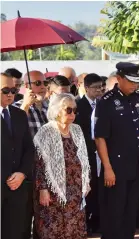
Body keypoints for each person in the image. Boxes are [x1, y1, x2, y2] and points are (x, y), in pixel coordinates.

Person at [94, 62, 139, 239]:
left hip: (135, 164)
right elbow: (100, 137)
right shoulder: (106, 102)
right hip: (115, 166)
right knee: (114, 215)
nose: (135, 85)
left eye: (137, 82)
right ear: (119, 78)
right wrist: (108, 168)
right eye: (131, 81)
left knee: (130, 214)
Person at [33, 93, 91, 239]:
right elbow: (40, 164)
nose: (72, 114)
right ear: (57, 110)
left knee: (74, 229)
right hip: (53, 192)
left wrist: (86, 181)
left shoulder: (76, 130)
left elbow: (84, 159)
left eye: (75, 110)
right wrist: (43, 189)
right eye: (68, 110)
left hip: (75, 190)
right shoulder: (46, 132)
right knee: (53, 230)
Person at [13, 70, 49, 239]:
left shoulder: (50, 107)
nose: (42, 87)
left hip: (48, 171)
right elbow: (13, 134)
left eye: (44, 83)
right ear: (26, 87)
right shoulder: (15, 108)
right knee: (23, 220)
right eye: (37, 83)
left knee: (46, 221)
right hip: (27, 172)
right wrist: (25, 106)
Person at [1, 73, 35, 239]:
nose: (10, 94)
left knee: (15, 231)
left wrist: (22, 173)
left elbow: (29, 148)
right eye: (5, 90)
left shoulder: (19, 114)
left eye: (13, 90)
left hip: (17, 186)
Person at [75, 73, 103, 236]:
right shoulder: (78, 106)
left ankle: (98, 220)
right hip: (85, 154)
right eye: (95, 88)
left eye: (101, 87)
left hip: (101, 153)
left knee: (100, 189)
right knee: (88, 189)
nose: (99, 91)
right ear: (86, 88)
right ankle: (87, 221)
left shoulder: (103, 104)